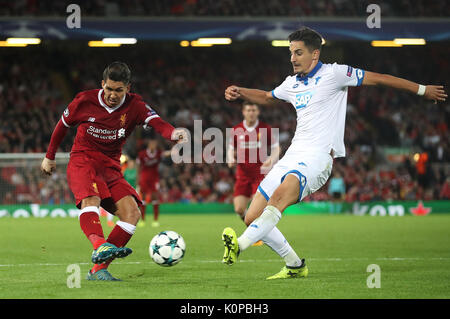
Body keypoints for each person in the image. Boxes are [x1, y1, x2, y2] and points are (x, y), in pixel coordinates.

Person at [221, 26, 447, 279]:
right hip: (293, 155)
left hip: (317, 158)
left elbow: (380, 78)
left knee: (282, 195)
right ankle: (295, 265)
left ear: (314, 54)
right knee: (252, 217)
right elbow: (265, 96)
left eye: (298, 53)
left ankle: (238, 246)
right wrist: (241, 92)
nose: (292, 58)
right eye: (290, 53)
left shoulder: (336, 74)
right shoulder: (292, 83)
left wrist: (421, 89)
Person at [41, 62, 186, 281]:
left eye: (118, 90)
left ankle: (99, 269)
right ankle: (99, 245)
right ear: (102, 84)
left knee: (132, 213)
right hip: (83, 159)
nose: (112, 95)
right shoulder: (84, 100)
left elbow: (157, 122)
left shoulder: (135, 105)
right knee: (91, 198)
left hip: (110, 166)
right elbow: (62, 125)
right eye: (109, 89)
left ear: (128, 88)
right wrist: (49, 156)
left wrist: (173, 133)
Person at [227, 101, 280, 246]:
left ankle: (257, 236)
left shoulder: (265, 129)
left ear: (258, 112)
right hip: (242, 175)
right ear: (243, 112)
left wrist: (271, 159)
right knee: (239, 209)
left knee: (257, 210)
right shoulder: (236, 130)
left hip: (259, 174)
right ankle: (254, 232)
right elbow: (231, 148)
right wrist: (231, 157)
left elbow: (276, 148)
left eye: (254, 110)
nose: (251, 112)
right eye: (248, 110)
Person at [136, 137, 171, 228]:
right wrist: (138, 179)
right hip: (144, 177)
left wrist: (172, 151)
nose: (153, 145)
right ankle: (142, 220)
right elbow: (138, 166)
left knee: (155, 197)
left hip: (154, 178)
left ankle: (155, 220)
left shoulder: (158, 153)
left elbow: (165, 154)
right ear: (149, 145)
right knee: (142, 198)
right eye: (152, 144)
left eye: (155, 144)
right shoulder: (142, 154)